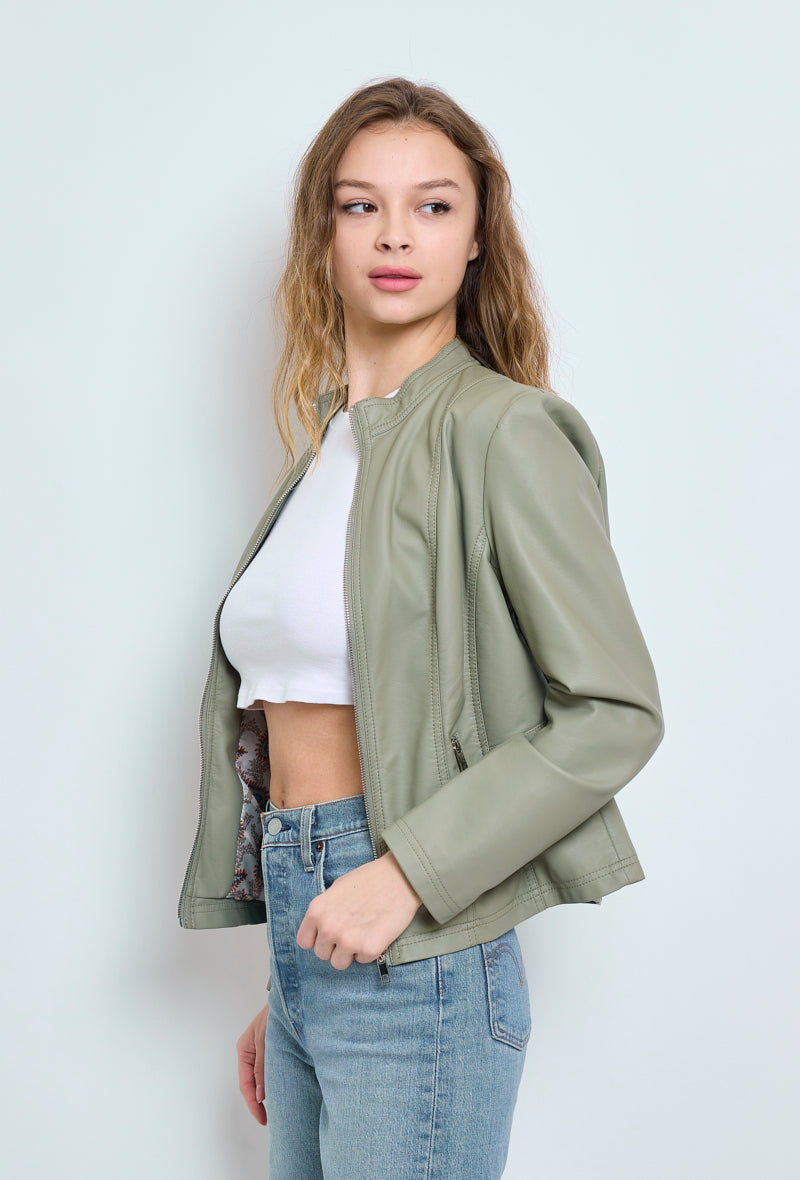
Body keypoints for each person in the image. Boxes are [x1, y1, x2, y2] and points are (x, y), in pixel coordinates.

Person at [178, 76, 664, 1179]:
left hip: (419, 934)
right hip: (314, 935)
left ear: (477, 236)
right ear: (322, 233)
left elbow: (613, 711)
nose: (395, 234)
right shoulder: (328, 450)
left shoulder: (503, 430)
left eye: (433, 205)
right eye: (360, 205)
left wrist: (404, 873)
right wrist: (290, 983)